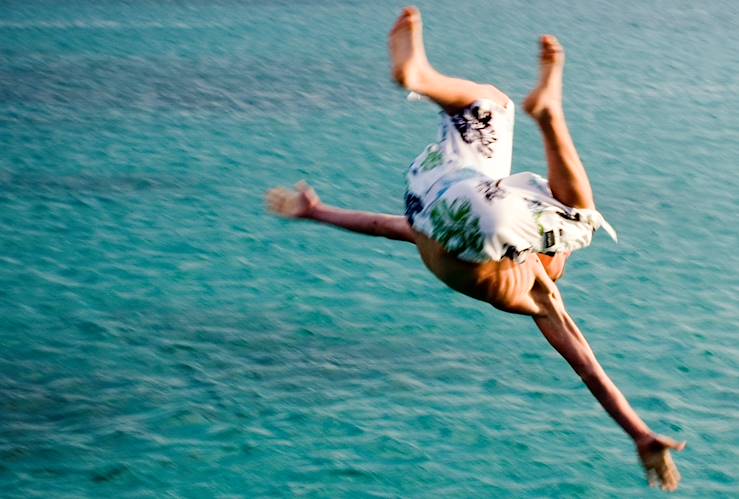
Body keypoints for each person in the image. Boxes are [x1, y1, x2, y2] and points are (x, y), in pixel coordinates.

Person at [266, 7, 685, 491]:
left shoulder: (537, 290)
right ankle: (427, 78)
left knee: (576, 215)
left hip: (447, 196)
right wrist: (315, 213)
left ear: (546, 261)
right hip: (435, 202)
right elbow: (384, 227)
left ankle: (513, 106)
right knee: (495, 110)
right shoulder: (512, 287)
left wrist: (319, 211)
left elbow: (590, 366)